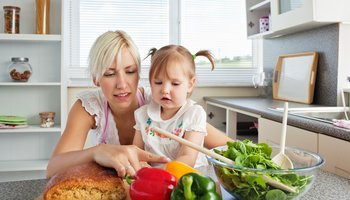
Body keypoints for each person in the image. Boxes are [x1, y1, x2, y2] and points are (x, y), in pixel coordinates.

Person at [46, 30, 232, 178]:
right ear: (96, 78)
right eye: (110, 74)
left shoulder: (161, 101)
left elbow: (226, 146)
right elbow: (52, 169)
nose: (122, 84)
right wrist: (97, 151)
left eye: (130, 71)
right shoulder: (88, 106)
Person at [133, 45, 214, 168]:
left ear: (190, 85)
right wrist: (143, 168)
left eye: (175, 84)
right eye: (158, 82)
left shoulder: (194, 114)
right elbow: (137, 154)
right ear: (150, 83)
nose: (165, 90)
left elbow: (187, 157)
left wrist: (161, 175)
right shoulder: (142, 115)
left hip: (188, 178)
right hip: (155, 179)